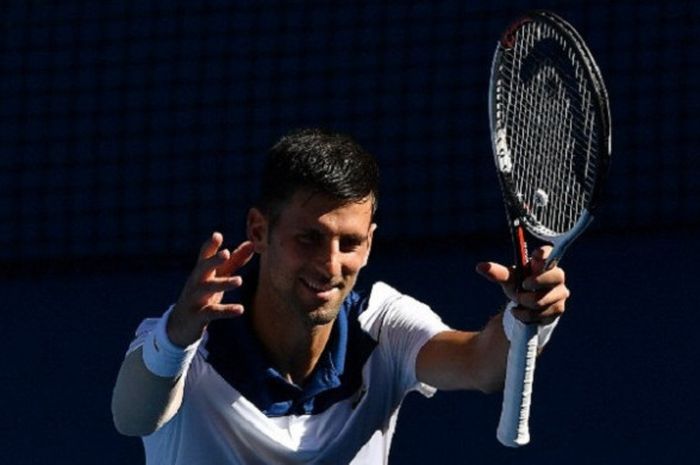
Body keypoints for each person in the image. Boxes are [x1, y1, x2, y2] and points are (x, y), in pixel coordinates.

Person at [111, 128, 568, 464]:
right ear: (259, 230)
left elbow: (482, 366)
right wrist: (174, 341)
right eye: (308, 238)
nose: (330, 266)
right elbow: (133, 417)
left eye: (349, 243)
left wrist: (528, 317)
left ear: (368, 243)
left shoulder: (383, 327)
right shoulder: (186, 343)